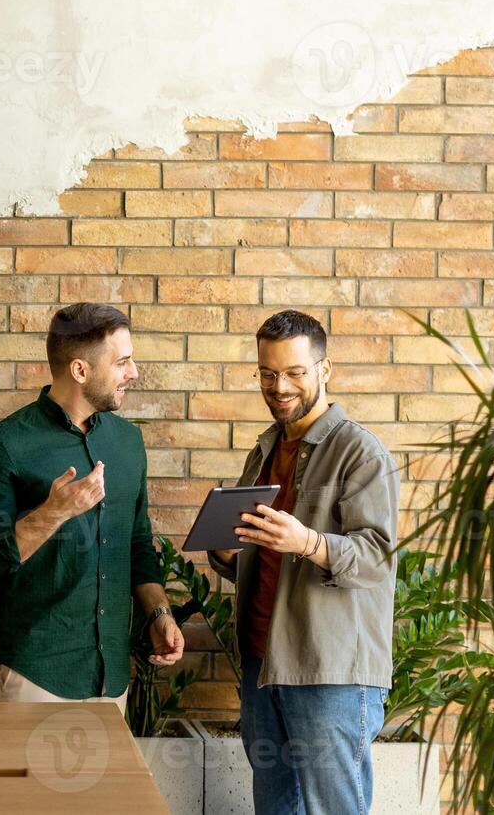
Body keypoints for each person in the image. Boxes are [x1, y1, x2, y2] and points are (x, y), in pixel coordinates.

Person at [209, 309, 399, 814]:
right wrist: (228, 552)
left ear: (324, 369)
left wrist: (310, 542)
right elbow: (260, 554)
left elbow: (377, 557)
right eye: (268, 374)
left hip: (328, 672)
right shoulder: (266, 449)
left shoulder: (361, 452)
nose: (279, 386)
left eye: (294, 372)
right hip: (263, 663)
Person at [0, 302, 183, 707]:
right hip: (34, 678)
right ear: (80, 370)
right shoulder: (4, 447)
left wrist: (158, 613)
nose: (133, 372)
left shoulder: (127, 443)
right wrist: (54, 512)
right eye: (123, 362)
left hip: (111, 681)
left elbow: (137, 544)